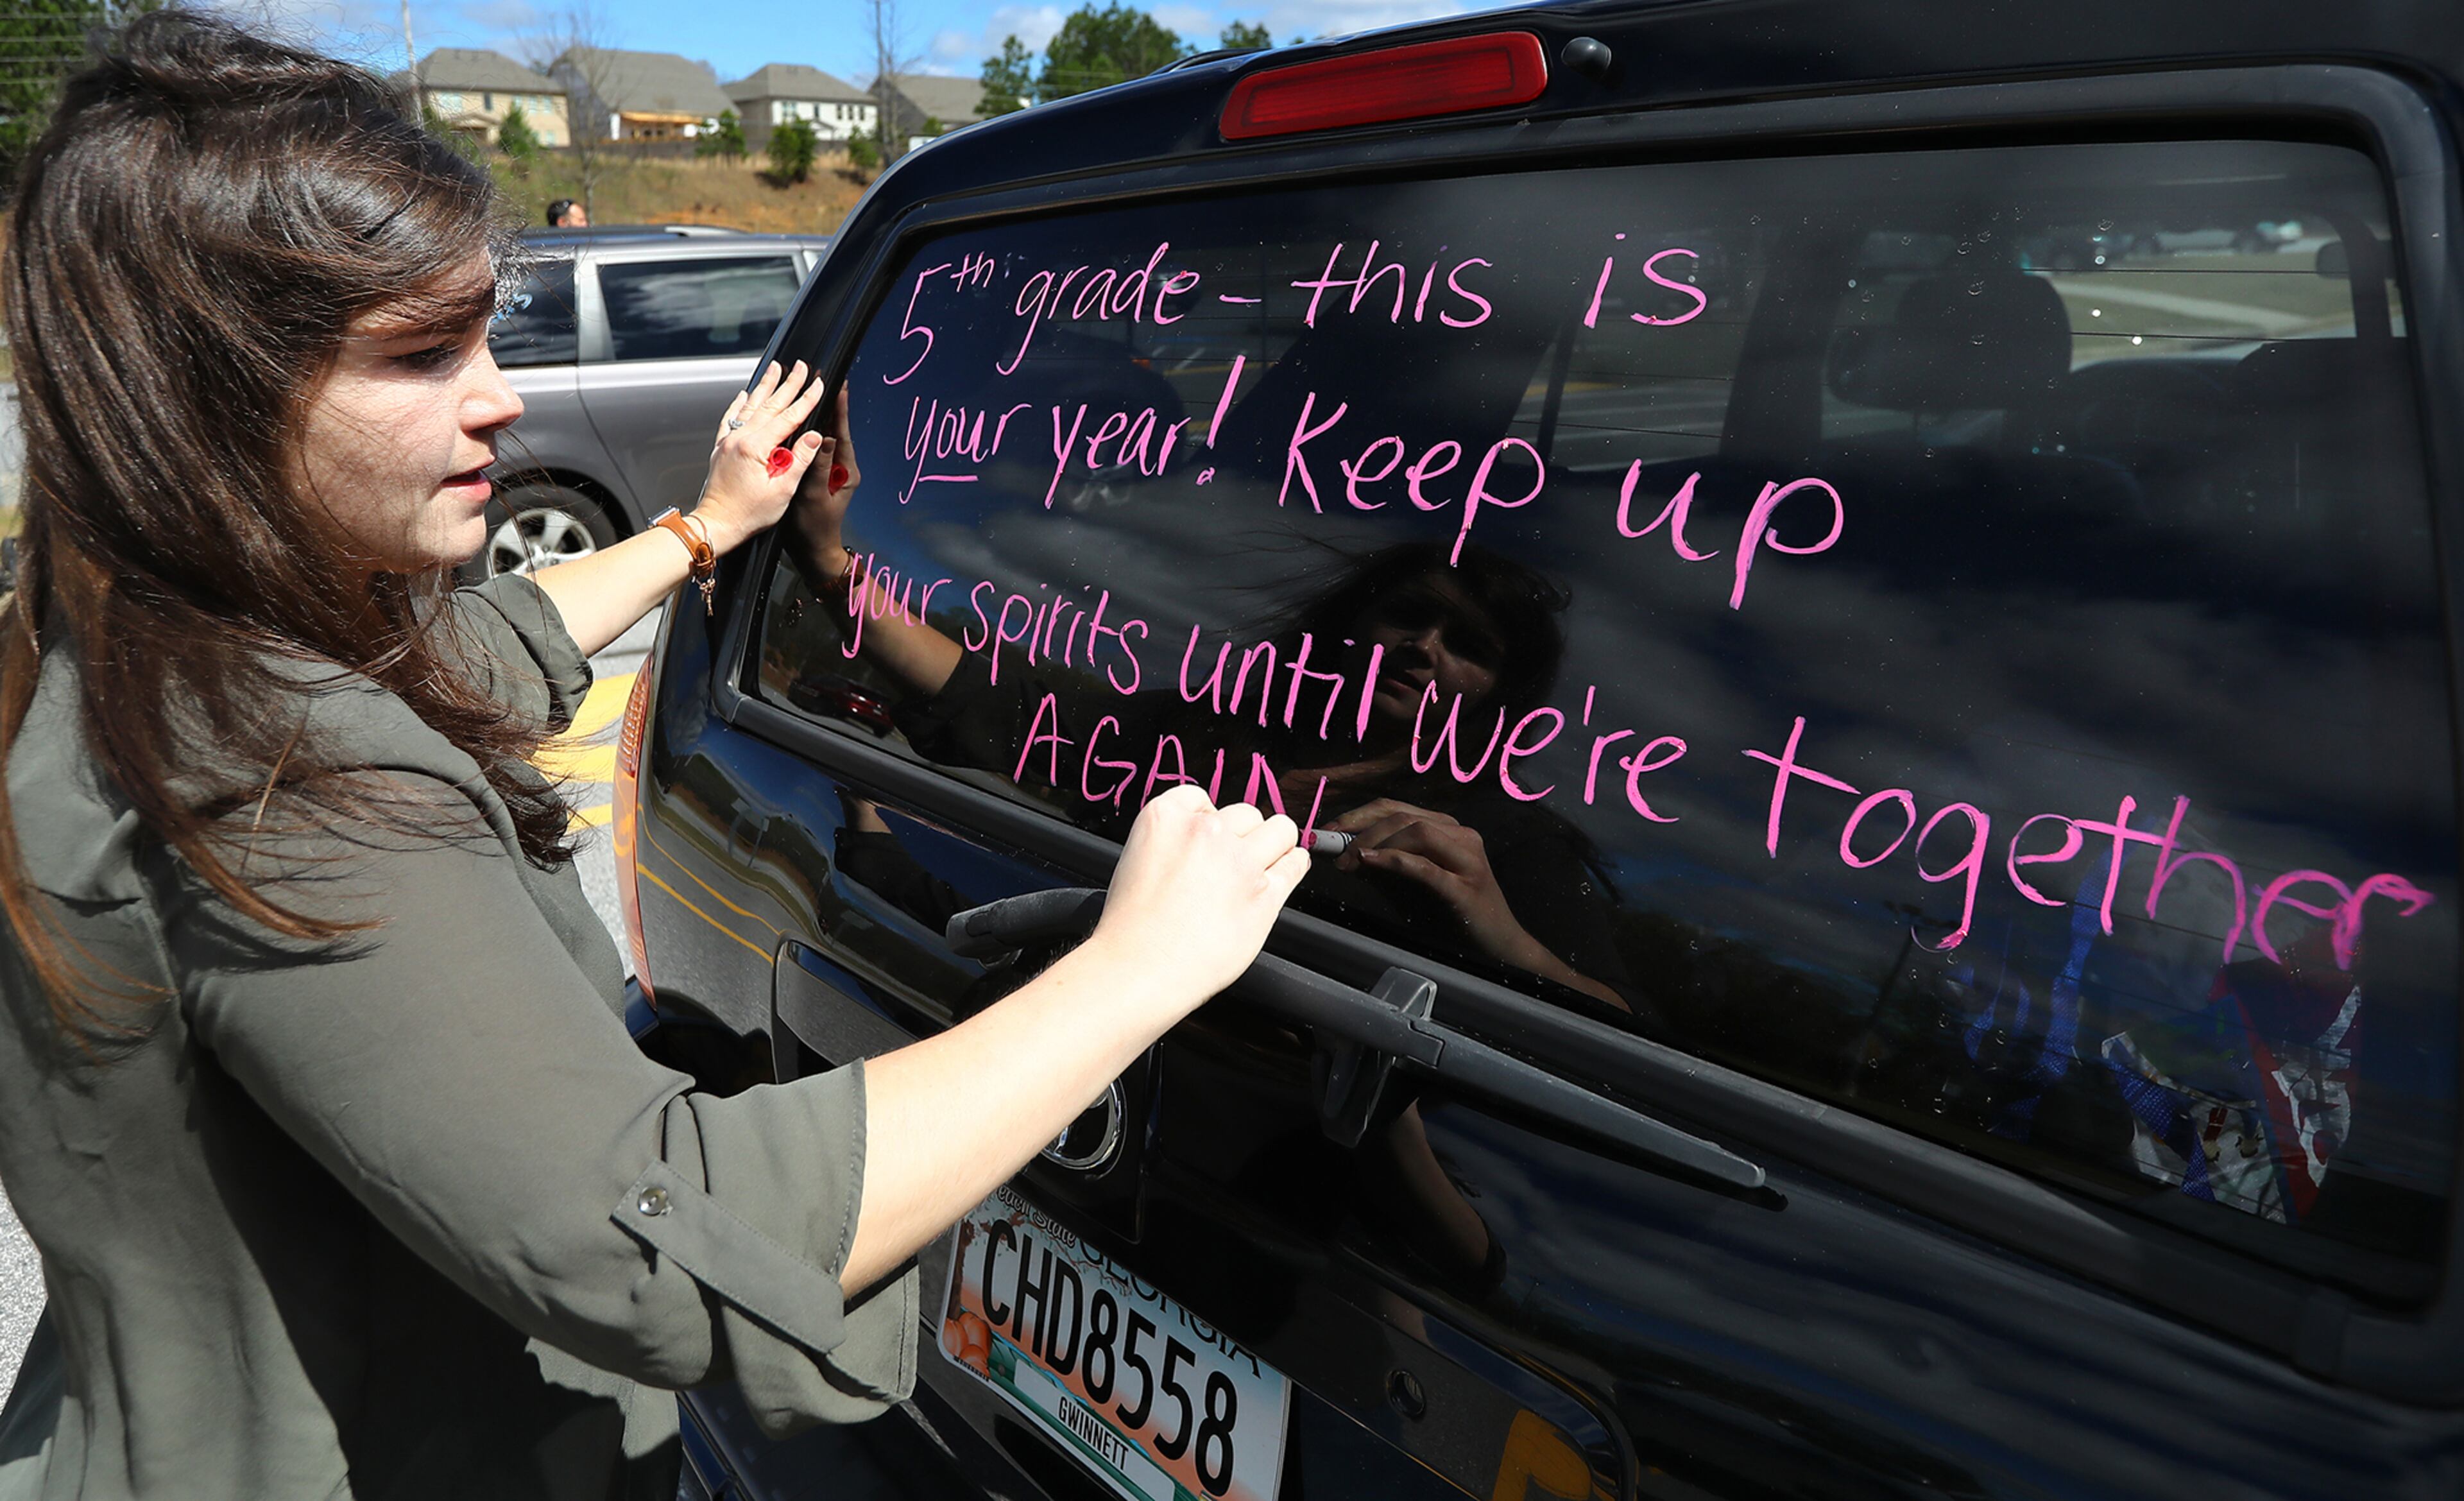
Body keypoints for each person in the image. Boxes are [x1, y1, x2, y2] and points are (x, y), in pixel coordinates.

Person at [0, 15, 1306, 1499]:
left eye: (485, 334)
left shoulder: (124, 635)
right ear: (203, 400)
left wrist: (708, 532)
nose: (498, 394)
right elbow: (654, 1238)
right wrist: (1137, 969)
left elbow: (472, 654)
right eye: (424, 354)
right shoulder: (279, 765)